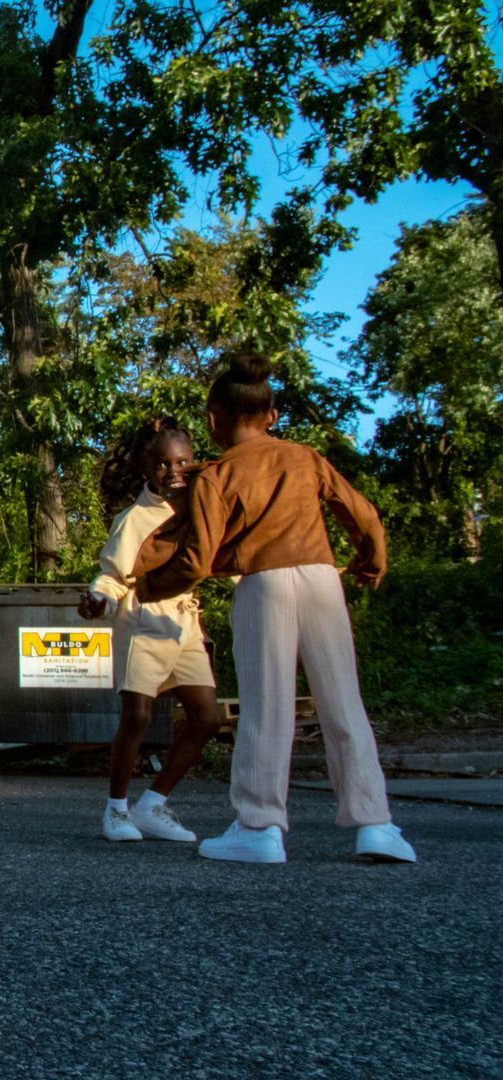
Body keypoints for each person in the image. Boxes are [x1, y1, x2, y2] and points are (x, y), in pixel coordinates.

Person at [138, 352, 414, 864]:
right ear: (273, 415)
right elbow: (364, 515)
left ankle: (260, 828)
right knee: (343, 704)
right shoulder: (305, 458)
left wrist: (150, 586)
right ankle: (376, 824)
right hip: (321, 580)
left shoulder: (216, 475)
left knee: (268, 709)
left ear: (213, 419)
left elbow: (197, 556)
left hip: (264, 585)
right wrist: (370, 562)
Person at [76, 418, 220, 844]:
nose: (173, 471)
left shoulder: (201, 508)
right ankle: (116, 810)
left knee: (206, 718)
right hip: (142, 621)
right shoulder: (134, 518)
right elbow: (113, 575)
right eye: (161, 464)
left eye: (182, 462)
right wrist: (98, 599)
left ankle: (153, 805)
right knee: (137, 716)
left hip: (185, 626)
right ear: (144, 466)